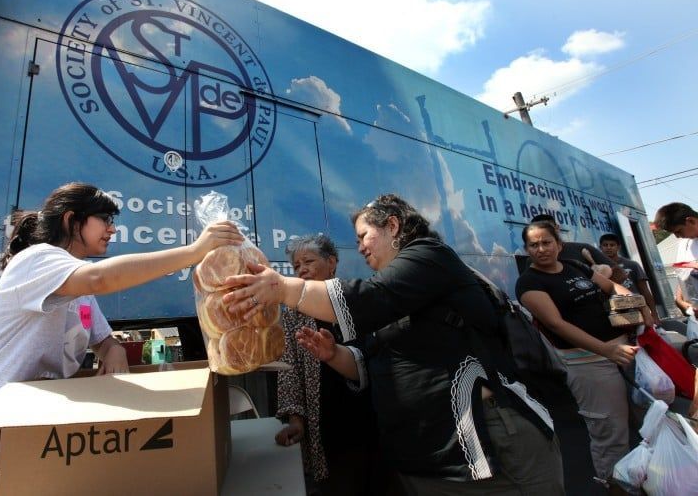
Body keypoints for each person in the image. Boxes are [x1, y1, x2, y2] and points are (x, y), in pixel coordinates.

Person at [224, 194, 564, 495]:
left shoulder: (430, 256)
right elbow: (367, 363)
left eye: (363, 236)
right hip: (426, 458)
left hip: (486, 445)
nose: (359, 247)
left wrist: (283, 288)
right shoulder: (395, 291)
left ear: (392, 225)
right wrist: (334, 354)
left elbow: (371, 298)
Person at [0, 182, 243, 495]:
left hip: (23, 454)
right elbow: (102, 278)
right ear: (71, 220)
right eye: (104, 219)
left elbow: (99, 335)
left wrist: (112, 347)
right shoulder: (36, 261)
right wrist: (194, 251)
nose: (112, 229)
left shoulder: (78, 291)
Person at [515, 220, 653, 487]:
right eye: (534, 245)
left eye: (546, 242)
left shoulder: (574, 266)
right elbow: (557, 324)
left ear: (559, 244)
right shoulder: (529, 283)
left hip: (625, 353)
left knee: (647, 422)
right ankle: (617, 488)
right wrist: (606, 350)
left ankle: (650, 481)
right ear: (527, 249)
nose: (541, 249)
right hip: (590, 364)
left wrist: (640, 306)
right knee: (610, 435)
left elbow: (612, 287)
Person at [275, 234, 383, 495]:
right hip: (324, 419)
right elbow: (290, 370)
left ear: (331, 262)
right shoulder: (293, 313)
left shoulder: (354, 298)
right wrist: (296, 421)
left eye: (308, 261)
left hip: (367, 412)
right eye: (296, 265)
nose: (301, 269)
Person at [524, 214, 624, 282]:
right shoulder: (532, 261)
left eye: (549, 229)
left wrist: (600, 276)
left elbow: (620, 274)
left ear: (557, 228)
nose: (542, 249)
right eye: (535, 245)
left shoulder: (583, 249)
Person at [599, 233, 661, 326]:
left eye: (612, 245)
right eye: (605, 245)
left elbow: (645, 291)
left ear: (618, 247)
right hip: (612, 312)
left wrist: (654, 315)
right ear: (600, 247)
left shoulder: (632, 265)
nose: (608, 248)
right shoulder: (598, 268)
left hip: (635, 309)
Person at [654, 202, 698, 313]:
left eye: (678, 231)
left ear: (691, 221)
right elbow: (683, 275)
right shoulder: (684, 243)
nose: (677, 236)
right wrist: (680, 300)